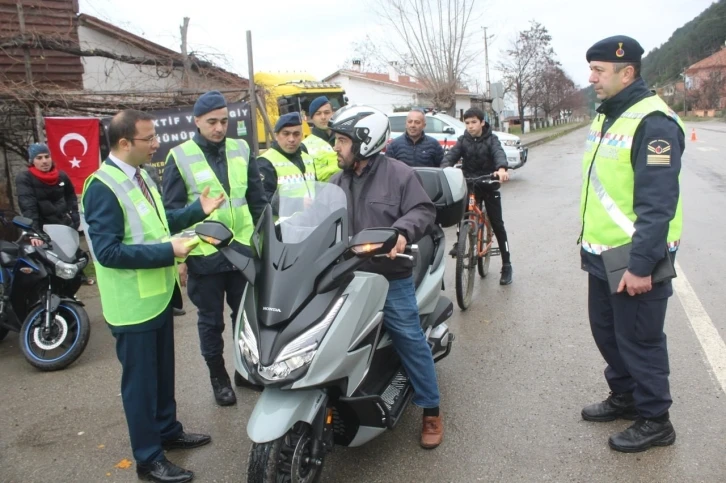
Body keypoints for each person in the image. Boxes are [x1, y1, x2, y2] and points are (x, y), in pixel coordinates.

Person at [82, 109, 224, 483]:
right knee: (140, 386)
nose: (157, 143)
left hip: (158, 298)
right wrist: (169, 252)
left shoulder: (141, 176)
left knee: (161, 376)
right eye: (150, 138)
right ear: (125, 143)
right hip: (132, 308)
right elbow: (107, 252)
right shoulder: (102, 186)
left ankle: (167, 431)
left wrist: (197, 211)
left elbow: (159, 223)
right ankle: (148, 459)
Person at [579, 35, 685, 453]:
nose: (591, 79)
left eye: (598, 71)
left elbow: (658, 205)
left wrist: (642, 265)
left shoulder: (653, 122)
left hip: (633, 256)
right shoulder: (607, 116)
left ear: (628, 72)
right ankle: (625, 396)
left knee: (640, 339)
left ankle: (656, 419)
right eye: (591, 69)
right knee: (608, 333)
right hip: (602, 254)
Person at [328, 105, 444, 449]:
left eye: (341, 140)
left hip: (388, 275)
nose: (335, 147)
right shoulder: (337, 181)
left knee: (408, 335)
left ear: (364, 142)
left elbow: (423, 210)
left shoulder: (399, 175)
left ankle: (431, 408)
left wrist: (402, 233)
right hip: (347, 276)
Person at [163, 91, 268, 405]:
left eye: (224, 121)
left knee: (245, 319)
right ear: (197, 122)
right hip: (205, 255)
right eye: (212, 122)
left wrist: (265, 240)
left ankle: (244, 371)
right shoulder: (179, 156)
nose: (220, 127)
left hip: (242, 250)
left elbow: (257, 199)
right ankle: (219, 379)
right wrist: (181, 256)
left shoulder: (241, 147)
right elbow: (172, 211)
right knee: (211, 323)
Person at [442, 107, 513, 285]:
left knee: (497, 224)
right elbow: (450, 156)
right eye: (467, 123)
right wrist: (445, 168)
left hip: (488, 182)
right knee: (462, 212)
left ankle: (506, 265)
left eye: (474, 122)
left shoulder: (491, 139)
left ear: (482, 122)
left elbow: (498, 153)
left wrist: (501, 169)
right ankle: (461, 241)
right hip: (470, 183)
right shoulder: (463, 140)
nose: (470, 126)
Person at [17, 143, 94, 284]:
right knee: (52, 264)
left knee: (71, 257)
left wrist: (74, 217)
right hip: (43, 227)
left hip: (63, 224)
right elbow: (28, 207)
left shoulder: (61, 176)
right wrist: (34, 232)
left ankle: (78, 279)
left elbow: (71, 196)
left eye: (47, 156)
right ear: (32, 161)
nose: (44, 161)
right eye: (39, 158)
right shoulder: (25, 179)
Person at [257, 112, 316, 201]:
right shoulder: (265, 162)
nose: (291, 139)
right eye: (286, 134)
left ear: (301, 135)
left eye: (296, 134)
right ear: (276, 136)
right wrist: (297, 204)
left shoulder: (308, 158)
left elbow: (316, 188)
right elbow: (265, 199)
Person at [302, 96, 340, 181]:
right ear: (312, 118)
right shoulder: (304, 146)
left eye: (326, 112)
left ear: (332, 114)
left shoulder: (344, 139)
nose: (323, 117)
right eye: (318, 114)